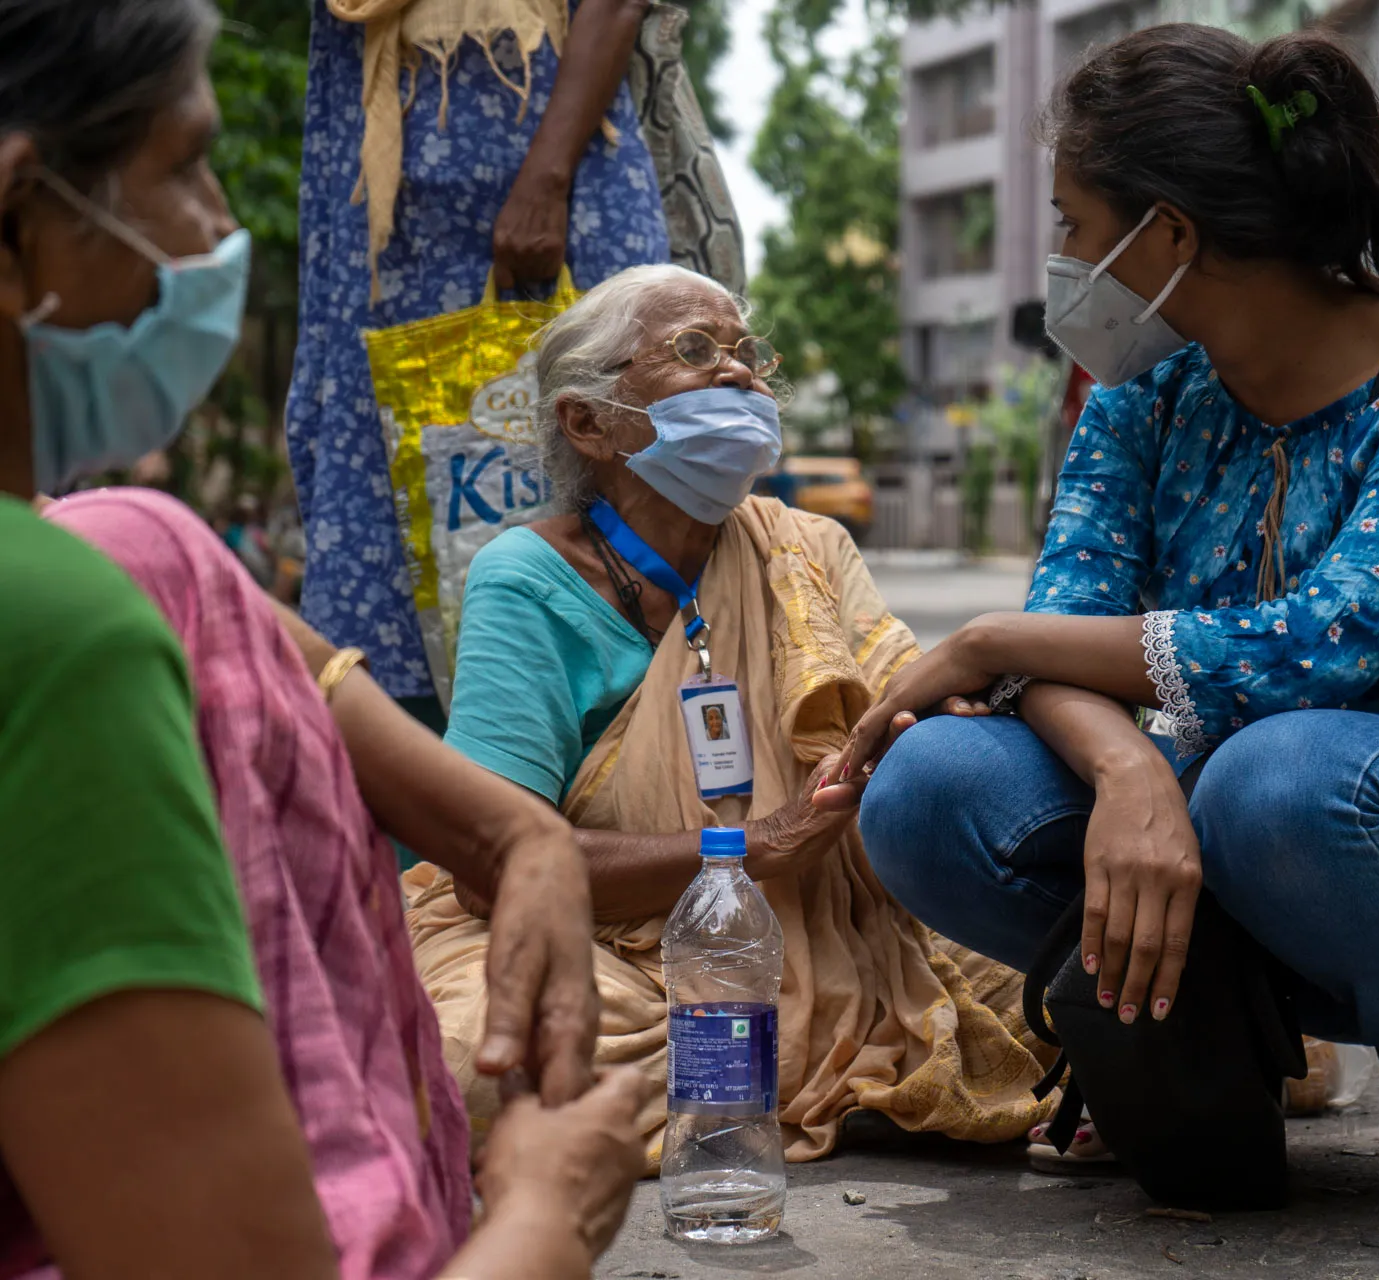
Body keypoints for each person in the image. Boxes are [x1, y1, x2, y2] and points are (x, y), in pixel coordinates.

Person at [842, 25, 1379, 1236]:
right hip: (1235, 834)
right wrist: (1121, 764)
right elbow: (1070, 623)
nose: (1060, 259)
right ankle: (1189, 1035)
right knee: (923, 783)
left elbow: (1326, 645)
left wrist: (1002, 642)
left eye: (1071, 222)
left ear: (1166, 236)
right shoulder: (1144, 389)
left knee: (1279, 775)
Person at [0, 3, 645, 1273]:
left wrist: (525, 837)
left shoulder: (119, 558)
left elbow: (316, 670)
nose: (224, 231)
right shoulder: (58, 627)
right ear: (19, 220)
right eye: (184, 167)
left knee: (155, 542)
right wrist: (543, 1213)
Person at [405, 263, 1053, 1168]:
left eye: (748, 354)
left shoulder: (806, 549)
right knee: (471, 1063)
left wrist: (938, 714)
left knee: (1097, 991)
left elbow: (912, 700)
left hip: (836, 926)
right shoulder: (528, 577)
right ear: (587, 422)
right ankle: (804, 1070)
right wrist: (754, 849)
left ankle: (759, 1075)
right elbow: (489, 865)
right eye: (696, 350)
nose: (741, 373)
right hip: (608, 946)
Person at [288, 0, 672, 709]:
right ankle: (416, 778)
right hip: (381, 214)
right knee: (387, 545)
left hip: (551, 192)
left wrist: (548, 179)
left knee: (615, 458)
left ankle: (614, 778)